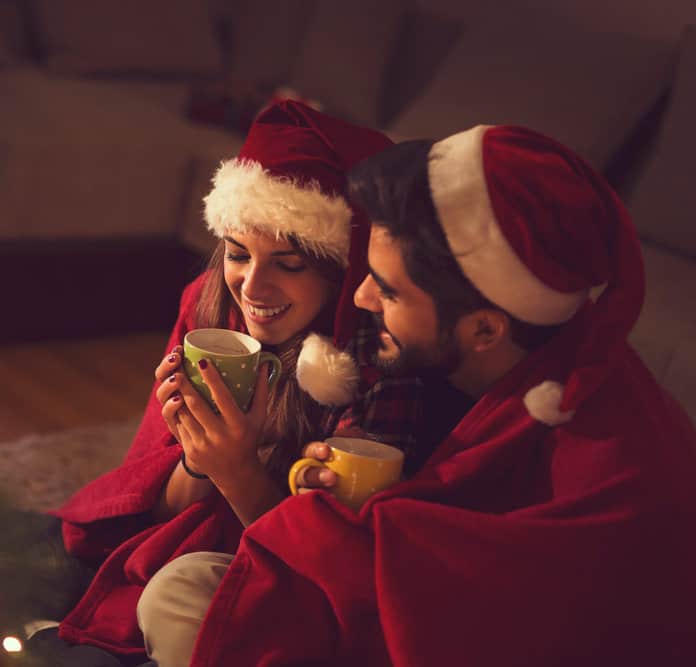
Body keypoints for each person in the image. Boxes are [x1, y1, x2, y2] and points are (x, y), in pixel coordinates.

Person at [136, 125, 696, 666]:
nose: (359, 296)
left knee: (191, 602)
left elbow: (438, 614)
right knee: (183, 587)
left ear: (483, 330)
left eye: (386, 289)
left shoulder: (610, 465)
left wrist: (260, 491)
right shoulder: (485, 370)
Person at [34, 101, 441, 665]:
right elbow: (162, 512)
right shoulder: (211, 314)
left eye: (289, 263)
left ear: (339, 270)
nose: (253, 285)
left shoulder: (373, 366)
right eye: (237, 253)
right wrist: (199, 459)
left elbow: (337, 580)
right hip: (174, 541)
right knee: (5, 563)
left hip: (270, 586)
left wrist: (240, 472)